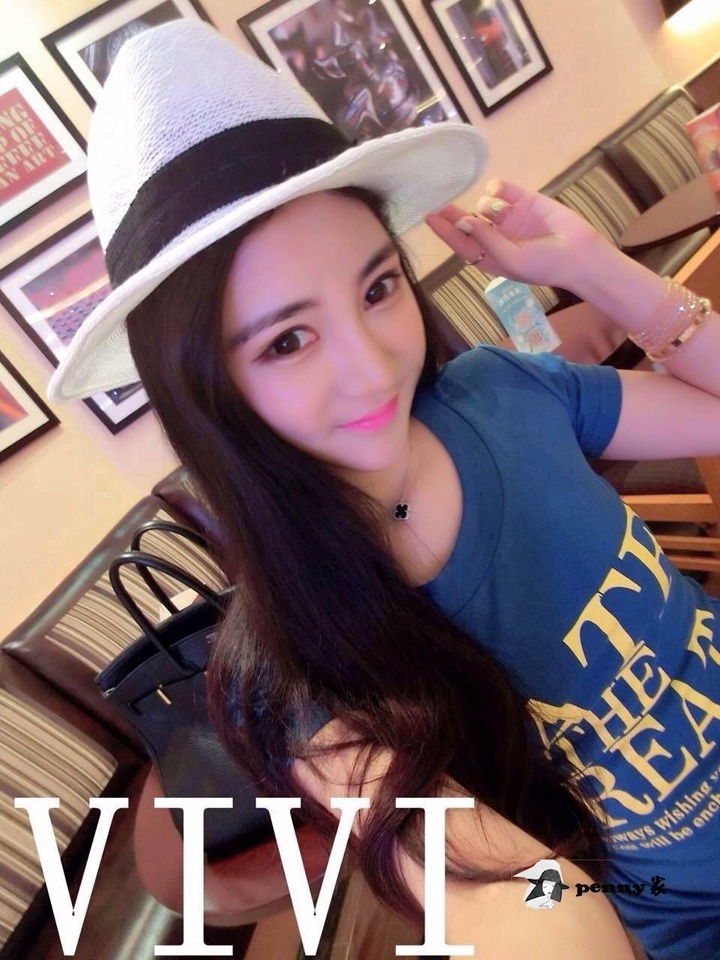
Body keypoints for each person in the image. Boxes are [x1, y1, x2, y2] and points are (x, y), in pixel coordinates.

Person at [47, 20, 720, 960]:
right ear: (207, 386)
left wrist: (586, 265)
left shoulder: (503, 393)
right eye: (287, 340)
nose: (372, 367)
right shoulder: (295, 664)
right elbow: (530, 909)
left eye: (375, 290)